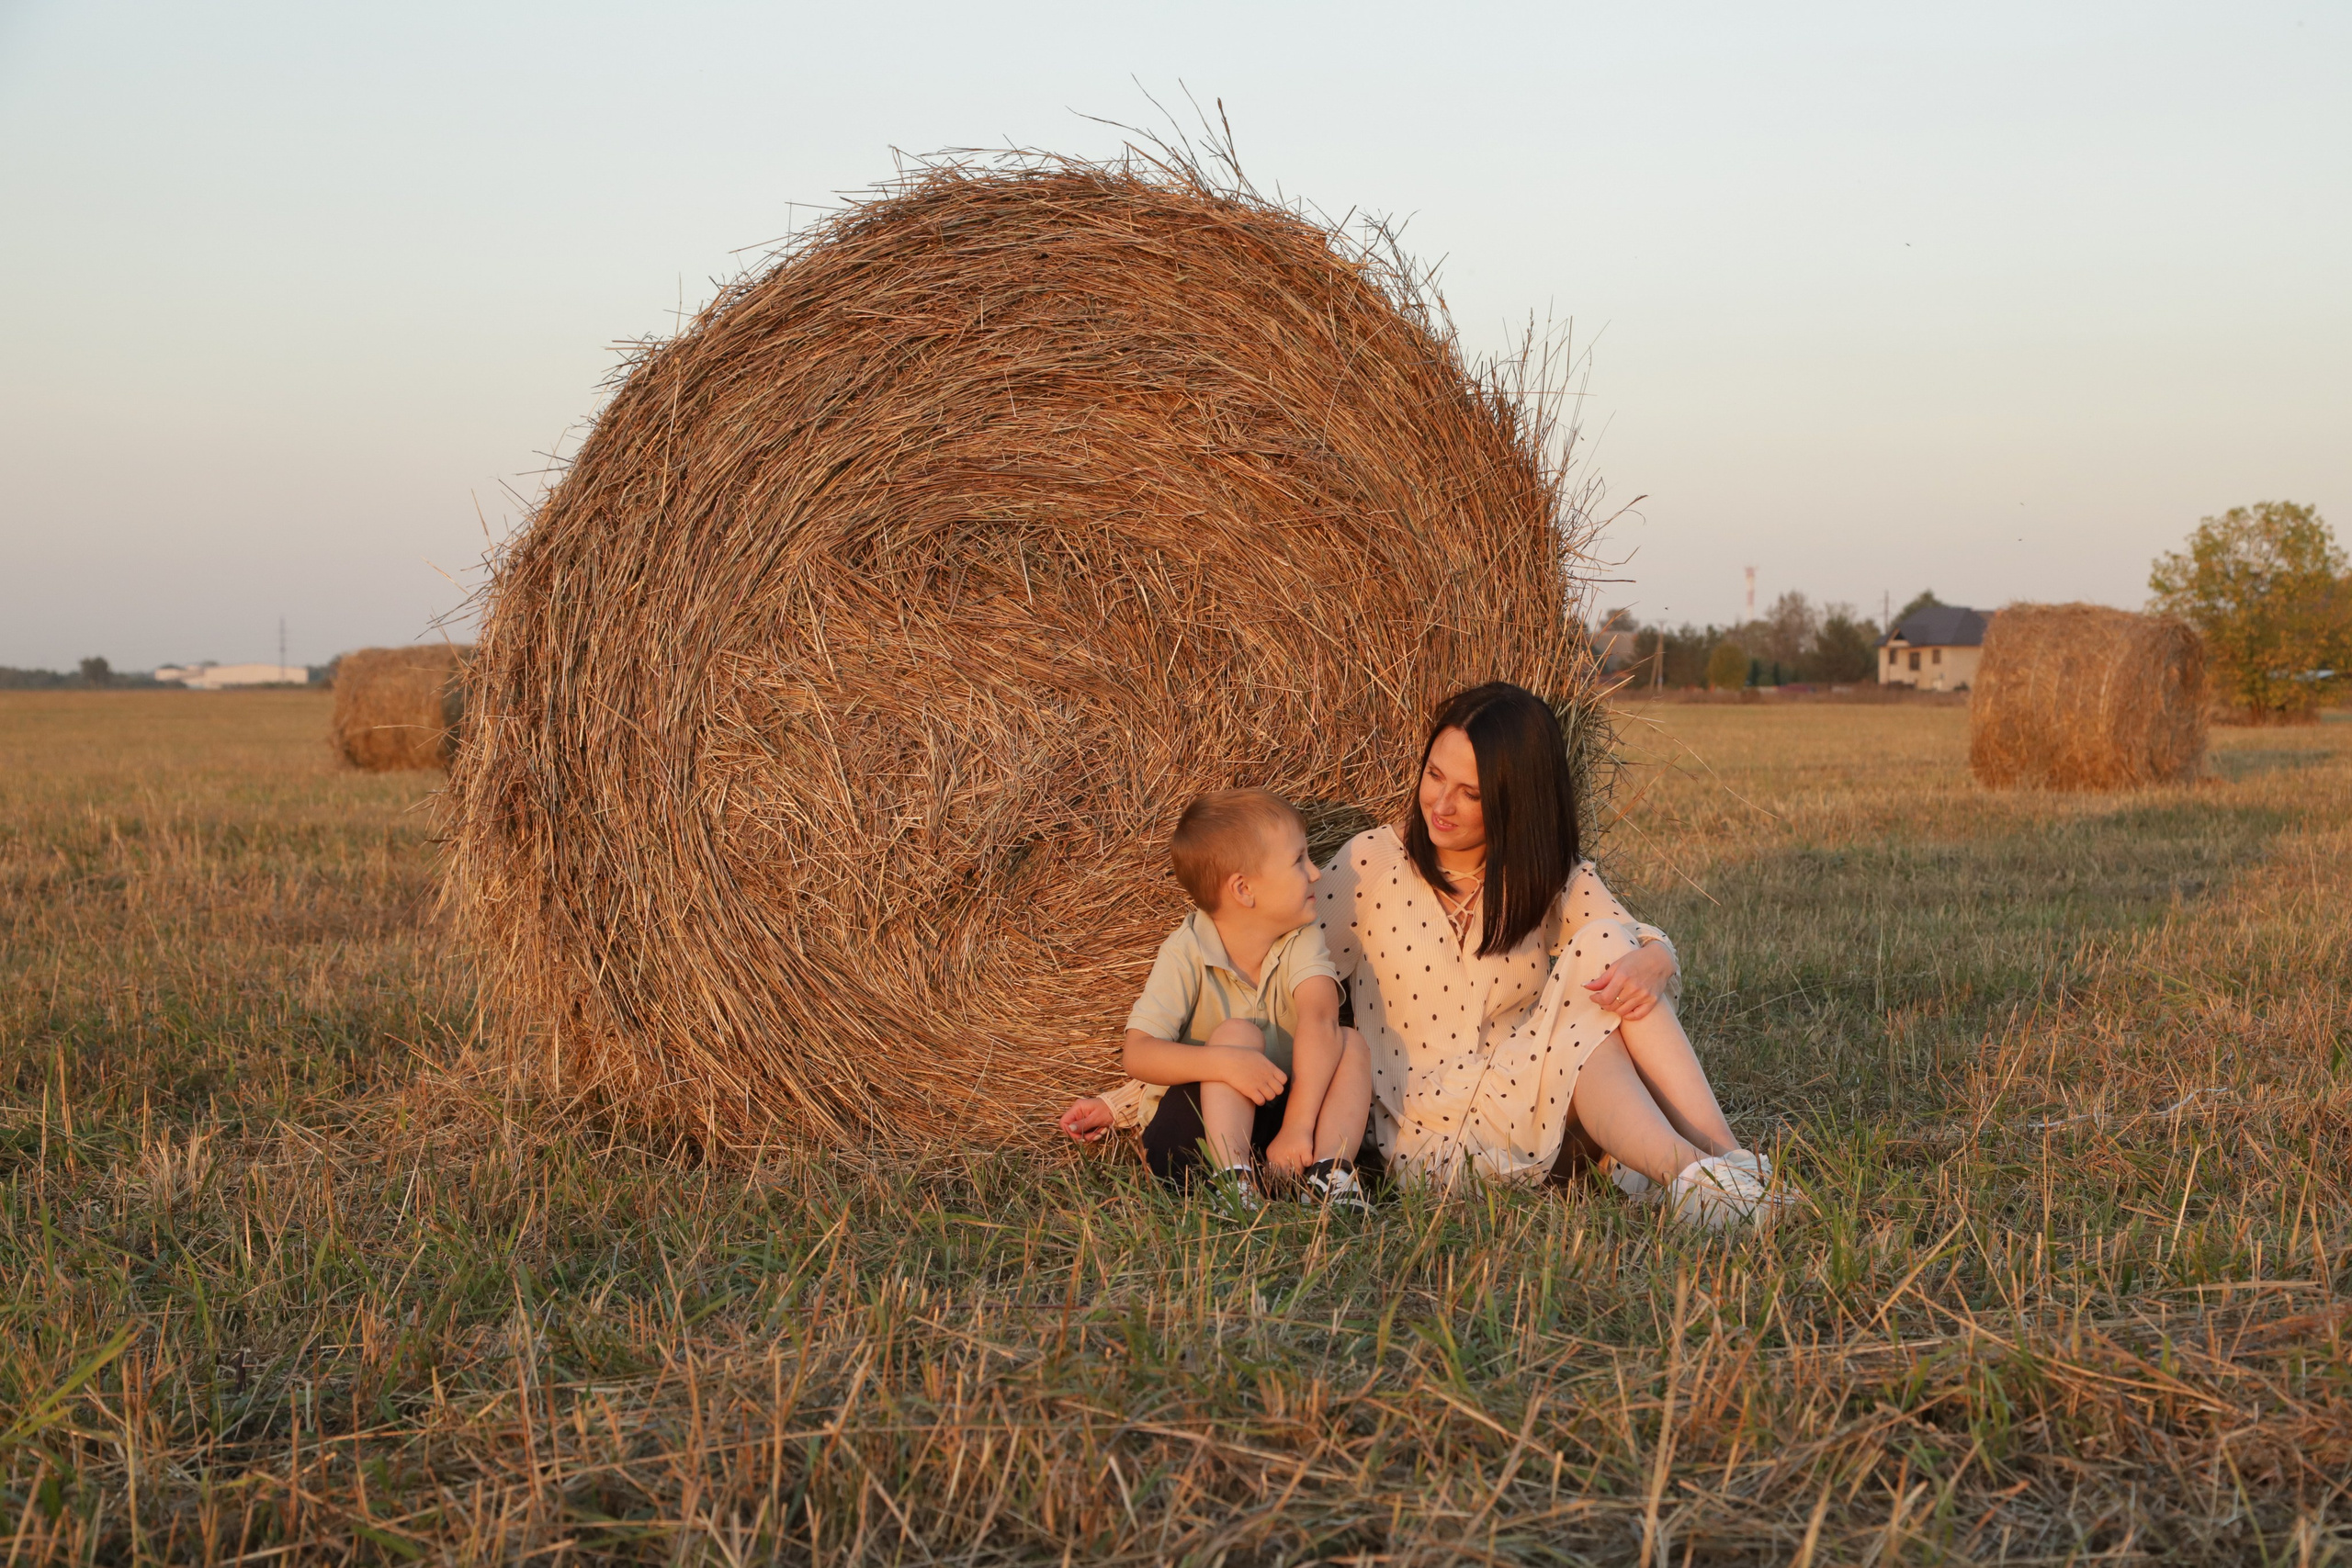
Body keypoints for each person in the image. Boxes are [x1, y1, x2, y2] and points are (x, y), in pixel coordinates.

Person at [1317, 682, 1783, 1229]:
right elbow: (1290, 970)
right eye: (1435, 775)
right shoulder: (1372, 862)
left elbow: (1630, 938)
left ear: (1520, 797)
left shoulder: (1543, 874)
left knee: (1606, 947)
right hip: (1430, 1138)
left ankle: (1719, 1168)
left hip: (1529, 1100)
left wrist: (1656, 956)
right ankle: (1714, 1176)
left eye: (1470, 792)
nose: (1440, 805)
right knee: (1601, 991)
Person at [1057, 788, 1375, 1215]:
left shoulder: (1303, 937)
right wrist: (1223, 1064)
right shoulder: (1186, 949)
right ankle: (1234, 1185)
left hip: (1286, 1139)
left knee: (1350, 1041)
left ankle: (1326, 1175)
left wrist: (1297, 1129)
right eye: (1299, 860)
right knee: (1234, 1035)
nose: (1316, 873)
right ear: (1244, 889)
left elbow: (1320, 1021)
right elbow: (1139, 1053)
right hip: (1195, 1141)